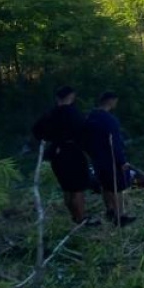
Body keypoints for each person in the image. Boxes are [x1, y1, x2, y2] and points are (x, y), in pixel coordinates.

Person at [31, 86, 98, 226]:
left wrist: (52, 138)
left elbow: (37, 131)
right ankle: (81, 218)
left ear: (57, 98)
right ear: (72, 96)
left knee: (67, 188)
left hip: (56, 153)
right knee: (77, 188)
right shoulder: (73, 113)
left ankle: (75, 216)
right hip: (72, 152)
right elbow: (85, 133)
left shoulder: (50, 114)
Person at [82, 91, 136, 226]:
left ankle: (110, 210)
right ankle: (120, 216)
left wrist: (91, 153)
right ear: (110, 101)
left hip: (97, 159)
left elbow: (84, 139)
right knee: (117, 188)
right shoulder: (110, 120)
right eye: (115, 101)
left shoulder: (90, 117)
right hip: (111, 158)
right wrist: (122, 161)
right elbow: (115, 143)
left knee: (105, 185)